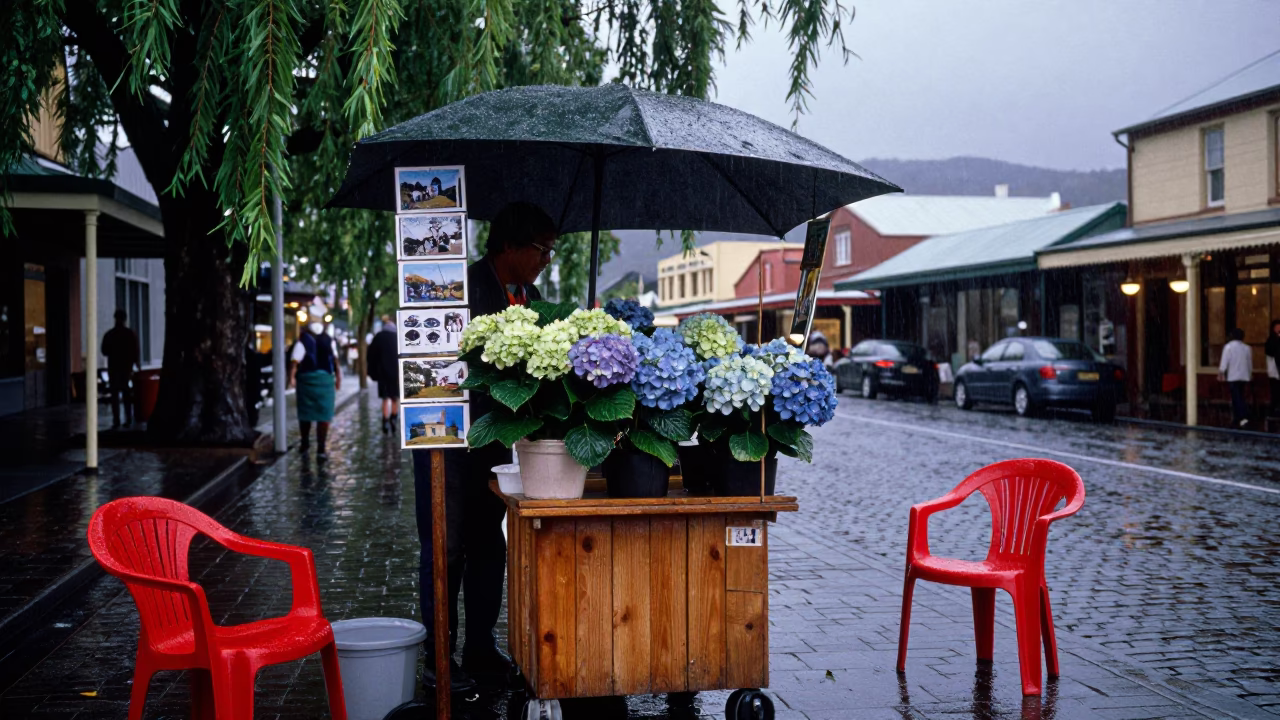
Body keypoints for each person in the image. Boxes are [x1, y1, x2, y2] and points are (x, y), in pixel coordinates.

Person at [414, 201, 553, 692]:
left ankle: (480, 646)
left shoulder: (531, 295)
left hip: (493, 439)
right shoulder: (462, 288)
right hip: (448, 436)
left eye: (551, 252)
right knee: (445, 546)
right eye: (541, 250)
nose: (546, 261)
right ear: (510, 245)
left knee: (488, 543)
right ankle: (437, 657)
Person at [289, 320, 342, 457]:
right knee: (324, 415)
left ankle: (305, 442)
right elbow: (335, 361)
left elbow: (295, 362)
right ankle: (321, 448)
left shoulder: (303, 340)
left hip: (306, 380)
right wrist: (338, 379)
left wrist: (292, 378)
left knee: (305, 413)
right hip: (325, 381)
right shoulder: (329, 340)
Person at [101, 309, 141, 428]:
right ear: (125, 319)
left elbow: (104, 350)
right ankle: (128, 418)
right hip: (125, 367)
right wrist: (136, 363)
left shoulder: (110, 334)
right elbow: (135, 351)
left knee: (115, 394)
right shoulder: (130, 334)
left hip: (114, 367)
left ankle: (116, 420)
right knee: (126, 392)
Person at [367, 317, 400, 433]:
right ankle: (394, 418)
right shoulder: (398, 338)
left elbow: (370, 355)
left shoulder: (379, 337)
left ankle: (385, 420)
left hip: (382, 373)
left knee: (385, 398)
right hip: (396, 374)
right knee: (394, 397)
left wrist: (373, 371)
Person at [1218, 327, 1252, 428]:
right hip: (1244, 375)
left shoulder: (1228, 347)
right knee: (1240, 396)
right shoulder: (1247, 348)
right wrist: (1250, 374)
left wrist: (1221, 372)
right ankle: (1238, 417)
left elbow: (1224, 362)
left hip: (1233, 376)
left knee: (1236, 397)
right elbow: (1249, 363)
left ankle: (1241, 417)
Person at [1266, 319, 1280, 417]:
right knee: (1275, 392)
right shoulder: (1271, 340)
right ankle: (1273, 411)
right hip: (1274, 371)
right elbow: (1270, 352)